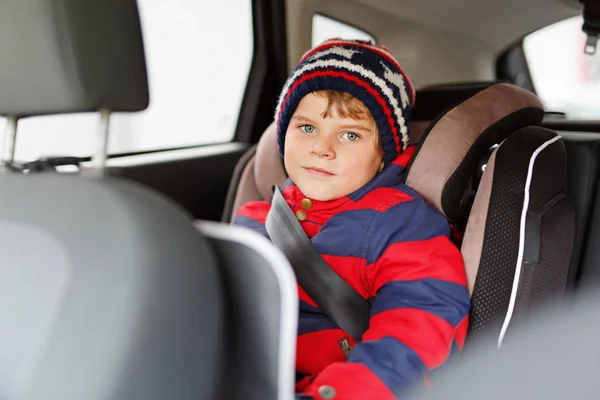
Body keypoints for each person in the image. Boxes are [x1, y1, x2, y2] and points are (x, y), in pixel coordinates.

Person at [233, 38, 470, 399]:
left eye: (349, 134)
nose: (322, 149)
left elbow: (417, 328)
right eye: (307, 128)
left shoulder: (403, 224)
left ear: (383, 155)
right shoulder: (256, 218)